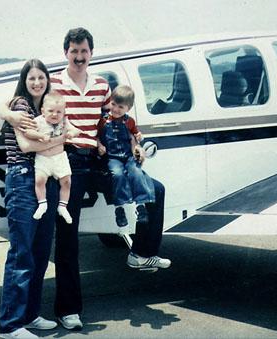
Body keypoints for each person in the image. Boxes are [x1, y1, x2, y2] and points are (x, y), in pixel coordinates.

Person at [50, 27, 172, 330]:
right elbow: (42, 116)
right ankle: (68, 310)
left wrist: (135, 146)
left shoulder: (102, 85)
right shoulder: (54, 83)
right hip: (68, 163)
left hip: (101, 160)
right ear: (65, 52)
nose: (79, 57)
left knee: (155, 189)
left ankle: (142, 253)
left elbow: (117, 121)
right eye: (74, 51)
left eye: (84, 51)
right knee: (67, 239)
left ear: (91, 53)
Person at [0, 59, 67, 339]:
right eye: (31, 78)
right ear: (24, 81)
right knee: (22, 254)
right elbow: (26, 145)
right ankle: (11, 326)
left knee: (39, 253)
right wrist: (60, 141)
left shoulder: (44, 109)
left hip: (43, 180)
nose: (37, 82)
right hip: (24, 179)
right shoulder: (21, 106)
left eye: (41, 78)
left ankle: (30, 315)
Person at [97, 85, 155, 234]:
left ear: (128, 108)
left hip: (127, 156)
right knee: (117, 175)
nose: (115, 109)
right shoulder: (104, 121)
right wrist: (99, 144)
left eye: (120, 107)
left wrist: (139, 141)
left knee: (136, 172)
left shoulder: (129, 122)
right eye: (113, 104)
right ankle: (119, 207)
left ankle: (140, 205)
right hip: (113, 157)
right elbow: (96, 135)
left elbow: (135, 135)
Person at [23, 91, 80, 224]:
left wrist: (72, 133)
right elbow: (28, 132)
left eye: (59, 112)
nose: (55, 114)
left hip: (59, 158)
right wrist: (40, 136)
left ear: (64, 112)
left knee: (66, 182)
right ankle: (42, 203)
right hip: (43, 158)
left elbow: (76, 130)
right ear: (43, 111)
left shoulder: (65, 121)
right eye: (51, 111)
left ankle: (62, 206)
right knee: (39, 180)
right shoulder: (38, 121)